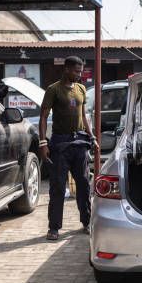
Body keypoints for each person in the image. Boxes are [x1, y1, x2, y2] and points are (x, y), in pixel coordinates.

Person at [39, 56, 95, 240]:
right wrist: (43, 143)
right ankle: (54, 228)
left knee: (84, 185)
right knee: (57, 187)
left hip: (79, 142)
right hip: (60, 144)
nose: (79, 75)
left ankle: (86, 222)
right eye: (76, 71)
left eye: (80, 71)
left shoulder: (81, 89)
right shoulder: (53, 89)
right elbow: (43, 117)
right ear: (67, 69)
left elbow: (84, 116)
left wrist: (92, 136)